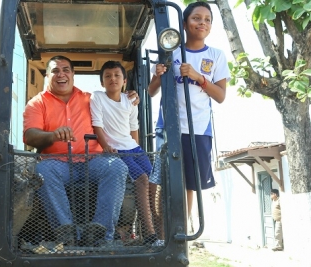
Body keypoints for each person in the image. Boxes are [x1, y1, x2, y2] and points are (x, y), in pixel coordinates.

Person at [23, 55, 139, 247]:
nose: (61, 74)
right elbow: (30, 135)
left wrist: (130, 96)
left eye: (66, 70)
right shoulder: (37, 103)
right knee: (43, 171)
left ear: (73, 74)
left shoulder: (91, 98)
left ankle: (101, 235)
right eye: (55, 71)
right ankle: (67, 233)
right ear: (47, 76)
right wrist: (52, 135)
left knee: (117, 166)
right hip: (57, 163)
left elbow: (116, 101)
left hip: (92, 160)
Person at [147, 1, 231, 225]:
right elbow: (151, 90)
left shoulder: (216, 55)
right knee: (163, 183)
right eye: (196, 18)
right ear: (184, 23)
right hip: (169, 128)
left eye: (207, 19)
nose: (202, 23)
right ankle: (163, 235)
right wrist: (158, 75)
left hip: (199, 128)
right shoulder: (169, 51)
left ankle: (181, 235)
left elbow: (221, 96)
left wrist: (199, 77)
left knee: (189, 186)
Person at [90, 61, 163, 246]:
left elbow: (134, 128)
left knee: (155, 182)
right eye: (107, 76)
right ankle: (148, 234)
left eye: (117, 75)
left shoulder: (130, 100)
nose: (112, 78)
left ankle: (162, 234)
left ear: (124, 80)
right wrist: (105, 146)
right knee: (142, 179)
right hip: (117, 150)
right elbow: (97, 125)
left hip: (133, 149)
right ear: (101, 82)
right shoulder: (97, 98)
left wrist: (137, 150)